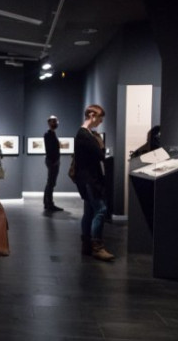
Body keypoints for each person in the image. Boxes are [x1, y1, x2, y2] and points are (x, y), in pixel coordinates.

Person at [74, 104, 115, 261]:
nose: (101, 121)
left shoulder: (84, 134)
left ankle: (86, 245)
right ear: (92, 115)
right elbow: (99, 155)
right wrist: (100, 145)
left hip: (86, 179)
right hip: (90, 180)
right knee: (101, 210)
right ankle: (97, 247)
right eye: (99, 117)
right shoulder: (85, 135)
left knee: (90, 211)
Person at [43, 115, 63, 211]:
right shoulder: (48, 134)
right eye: (54, 121)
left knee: (50, 183)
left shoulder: (52, 134)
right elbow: (50, 150)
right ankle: (49, 204)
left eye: (56, 121)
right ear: (49, 122)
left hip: (53, 161)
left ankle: (47, 203)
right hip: (52, 161)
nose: (56, 123)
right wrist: (54, 161)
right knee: (51, 183)